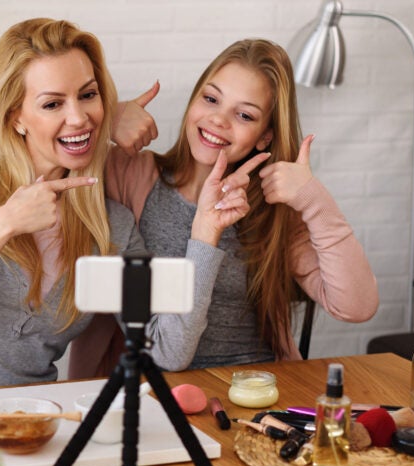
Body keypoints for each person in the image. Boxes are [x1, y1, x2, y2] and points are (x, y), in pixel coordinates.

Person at [70, 39, 378, 378]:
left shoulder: (271, 210)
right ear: (193, 101)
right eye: (211, 98)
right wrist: (105, 120)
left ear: (265, 137)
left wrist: (314, 199)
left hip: (257, 389)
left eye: (244, 115)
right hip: (159, 389)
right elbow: (49, 164)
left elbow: (356, 306)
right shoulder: (127, 175)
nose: (218, 120)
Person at [0, 18, 146, 392]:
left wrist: (205, 234)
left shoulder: (113, 226)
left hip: (36, 422)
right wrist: (1, 225)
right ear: (16, 116)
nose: (79, 118)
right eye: (52, 103)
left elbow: (167, 351)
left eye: (88, 95)